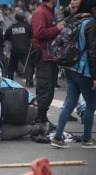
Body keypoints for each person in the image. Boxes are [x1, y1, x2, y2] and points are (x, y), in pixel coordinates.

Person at [50, 0, 96, 149]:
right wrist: (95, 76)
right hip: (84, 70)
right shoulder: (90, 24)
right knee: (90, 105)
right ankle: (87, 139)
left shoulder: (71, 21)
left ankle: (57, 137)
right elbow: (93, 52)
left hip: (68, 68)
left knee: (69, 103)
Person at [31, 0, 65, 125]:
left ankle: (42, 117)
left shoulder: (50, 12)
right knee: (45, 89)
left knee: (49, 90)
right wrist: (56, 28)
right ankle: (39, 119)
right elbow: (38, 33)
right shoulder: (40, 12)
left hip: (51, 57)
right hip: (44, 57)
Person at [5, 10, 34, 87]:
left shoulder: (12, 27)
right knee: (28, 65)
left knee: (12, 66)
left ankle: (10, 80)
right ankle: (29, 81)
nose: (25, 19)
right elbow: (33, 36)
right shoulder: (27, 26)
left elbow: (6, 37)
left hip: (14, 49)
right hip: (25, 50)